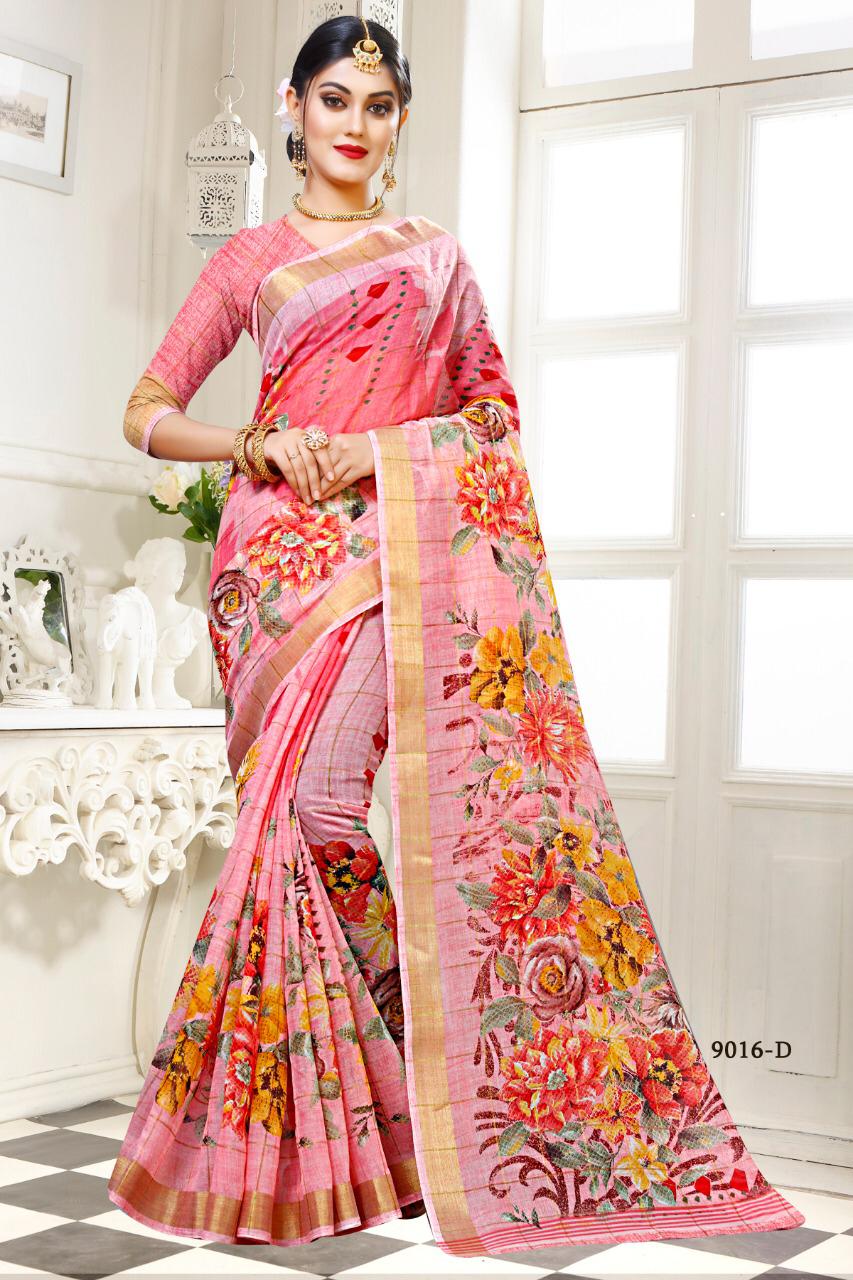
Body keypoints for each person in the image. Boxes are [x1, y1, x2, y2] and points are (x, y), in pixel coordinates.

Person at [107, 13, 805, 1257]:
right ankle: (379, 1124)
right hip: (268, 570)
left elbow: (489, 417)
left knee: (318, 812)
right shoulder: (253, 259)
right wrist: (255, 442)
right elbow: (146, 410)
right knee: (289, 821)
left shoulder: (433, 259)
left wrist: (370, 452)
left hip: (387, 559)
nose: (354, 125)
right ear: (294, 107)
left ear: (399, 122)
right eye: (334, 100)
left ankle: (393, 1103)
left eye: (378, 106)